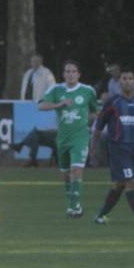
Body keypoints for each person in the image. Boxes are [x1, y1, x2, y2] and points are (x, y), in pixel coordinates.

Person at [91, 69, 134, 226]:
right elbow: (99, 126)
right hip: (118, 148)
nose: (127, 81)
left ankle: (100, 216)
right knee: (130, 182)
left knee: (119, 184)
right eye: (124, 78)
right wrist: (93, 147)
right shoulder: (113, 101)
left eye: (130, 78)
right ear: (119, 82)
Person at [39, 60, 98, 218]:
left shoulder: (87, 91)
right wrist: (59, 104)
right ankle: (72, 204)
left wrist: (87, 121)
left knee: (76, 170)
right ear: (63, 74)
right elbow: (41, 105)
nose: (70, 74)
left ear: (79, 74)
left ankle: (74, 207)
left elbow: (95, 111)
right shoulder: (56, 90)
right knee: (66, 174)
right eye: (67, 71)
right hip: (63, 139)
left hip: (80, 137)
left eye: (73, 71)